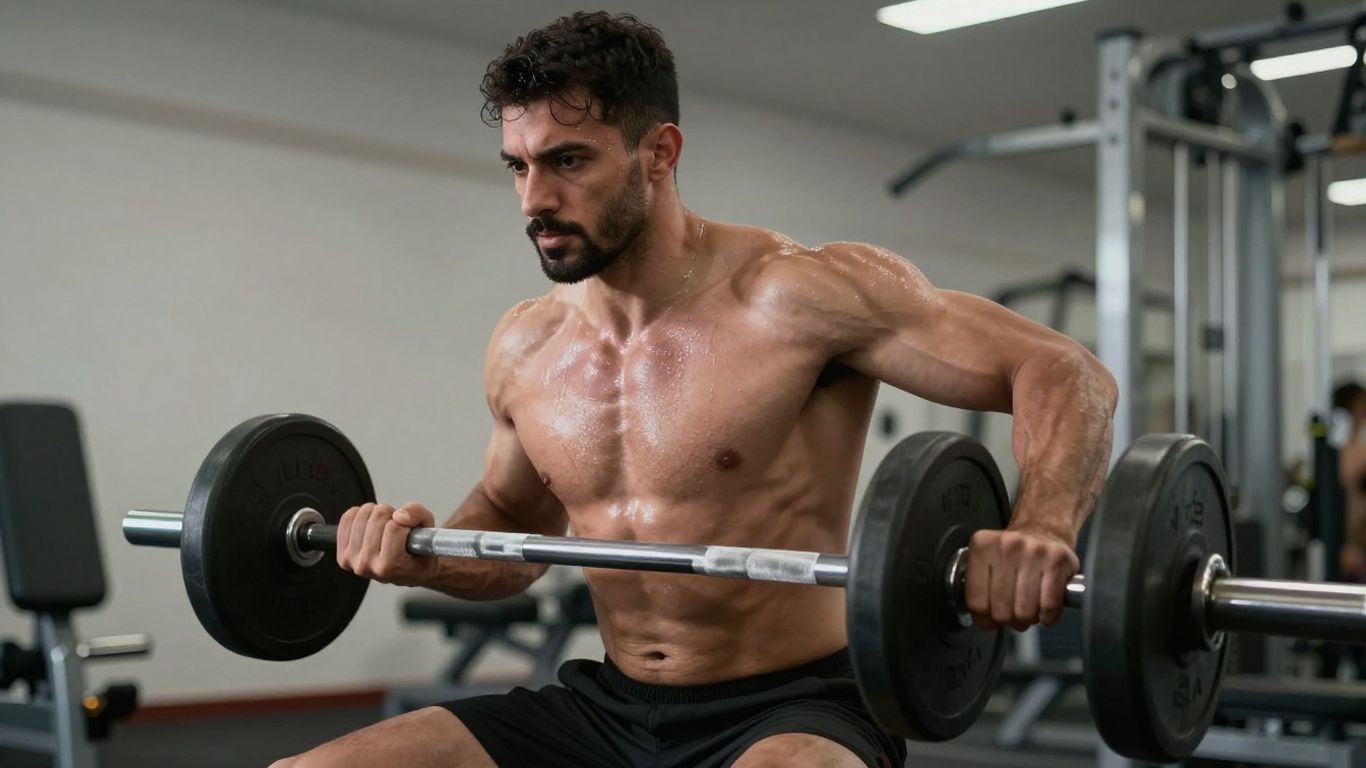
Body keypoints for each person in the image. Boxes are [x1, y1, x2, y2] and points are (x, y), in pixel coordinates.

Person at [272, 12, 1117, 768]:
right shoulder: (525, 344)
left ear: (660, 153)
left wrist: (1039, 526)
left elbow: (1063, 370)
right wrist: (419, 551)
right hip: (606, 706)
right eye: (518, 167)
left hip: (798, 708)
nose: (535, 199)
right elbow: (513, 531)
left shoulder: (797, 296)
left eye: (567, 161)